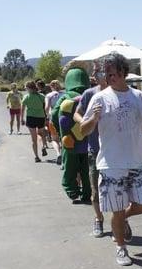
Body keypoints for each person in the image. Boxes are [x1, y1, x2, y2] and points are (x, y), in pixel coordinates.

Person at [81, 52, 142, 266]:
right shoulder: (100, 98)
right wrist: (93, 118)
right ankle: (121, 247)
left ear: (123, 72)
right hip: (111, 164)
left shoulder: (138, 97)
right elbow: (83, 130)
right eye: (107, 72)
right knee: (117, 210)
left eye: (113, 72)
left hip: (138, 162)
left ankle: (123, 220)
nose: (109, 76)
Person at [51, 68, 92, 204]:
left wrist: (59, 131)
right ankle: (87, 193)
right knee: (87, 169)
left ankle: (72, 190)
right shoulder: (91, 95)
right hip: (89, 141)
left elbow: (54, 116)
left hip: (70, 141)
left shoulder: (65, 97)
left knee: (70, 168)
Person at [74, 70, 107, 237]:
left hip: (115, 151)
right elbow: (76, 114)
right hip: (95, 149)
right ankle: (98, 219)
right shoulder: (89, 94)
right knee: (96, 190)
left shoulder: (118, 92)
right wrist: (87, 121)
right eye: (94, 72)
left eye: (98, 71)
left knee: (121, 191)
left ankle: (122, 220)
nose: (95, 75)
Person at [21, 81, 48, 162]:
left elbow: (22, 109)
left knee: (33, 139)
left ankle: (36, 157)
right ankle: (43, 145)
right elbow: (46, 106)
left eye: (26, 88)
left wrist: (22, 119)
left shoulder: (26, 97)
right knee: (41, 133)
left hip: (31, 118)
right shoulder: (42, 96)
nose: (25, 89)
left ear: (29, 88)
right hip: (40, 117)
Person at [45, 80, 65, 164]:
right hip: (63, 117)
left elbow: (46, 107)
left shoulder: (49, 95)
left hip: (53, 117)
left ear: (51, 86)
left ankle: (58, 153)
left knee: (55, 139)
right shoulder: (64, 94)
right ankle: (64, 156)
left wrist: (47, 115)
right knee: (63, 138)